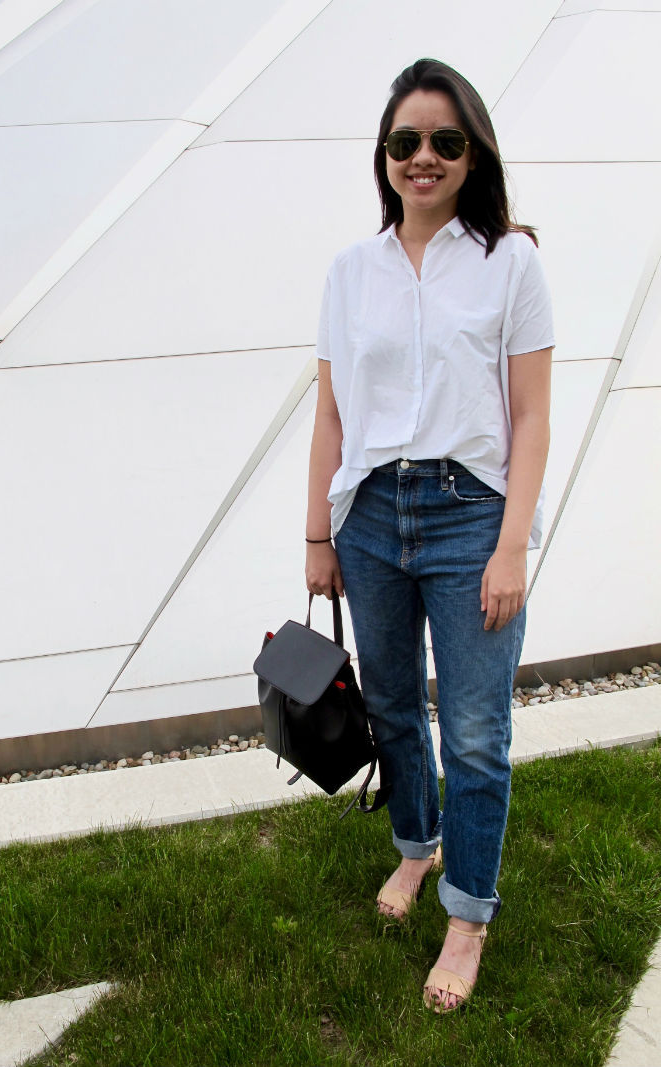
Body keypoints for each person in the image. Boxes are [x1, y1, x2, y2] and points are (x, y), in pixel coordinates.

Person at [305, 58, 553, 1012]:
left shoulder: (510, 262)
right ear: (385, 154)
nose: (423, 158)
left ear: (472, 152)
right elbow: (329, 417)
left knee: (480, 732)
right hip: (367, 516)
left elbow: (530, 417)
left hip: (467, 516)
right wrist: (317, 535)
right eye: (405, 141)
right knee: (398, 711)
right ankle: (417, 846)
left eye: (445, 142)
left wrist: (511, 543)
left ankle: (467, 914)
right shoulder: (349, 271)